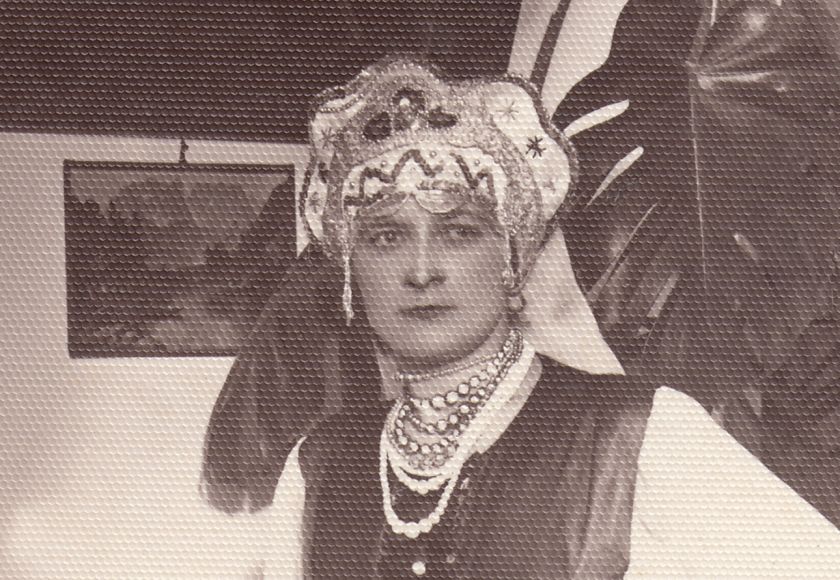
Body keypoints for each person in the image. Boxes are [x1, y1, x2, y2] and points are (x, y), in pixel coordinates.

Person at [201, 56, 840, 579]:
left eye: (459, 232)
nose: (421, 270)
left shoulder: (635, 435)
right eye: (386, 237)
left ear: (511, 261)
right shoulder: (321, 461)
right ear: (351, 274)